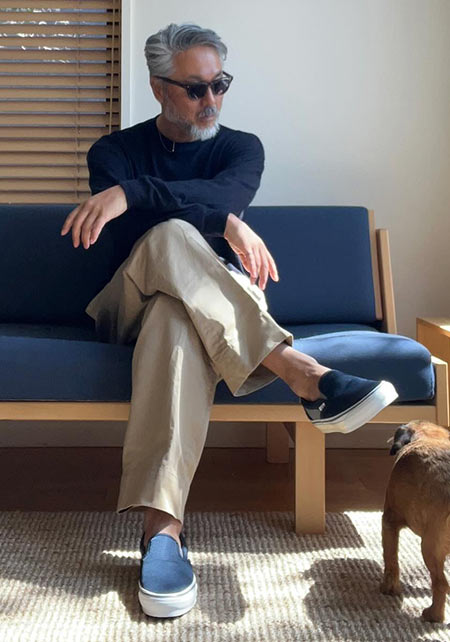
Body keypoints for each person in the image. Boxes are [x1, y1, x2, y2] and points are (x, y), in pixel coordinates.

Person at [60, 23, 398, 619]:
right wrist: (222, 221)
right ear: (159, 88)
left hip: (200, 315)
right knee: (168, 236)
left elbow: (222, 195)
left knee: (175, 318)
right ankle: (301, 372)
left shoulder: (242, 148)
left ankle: (162, 534)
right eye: (195, 89)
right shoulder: (111, 153)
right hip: (126, 303)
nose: (211, 99)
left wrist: (136, 194)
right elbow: (150, 229)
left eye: (220, 84)